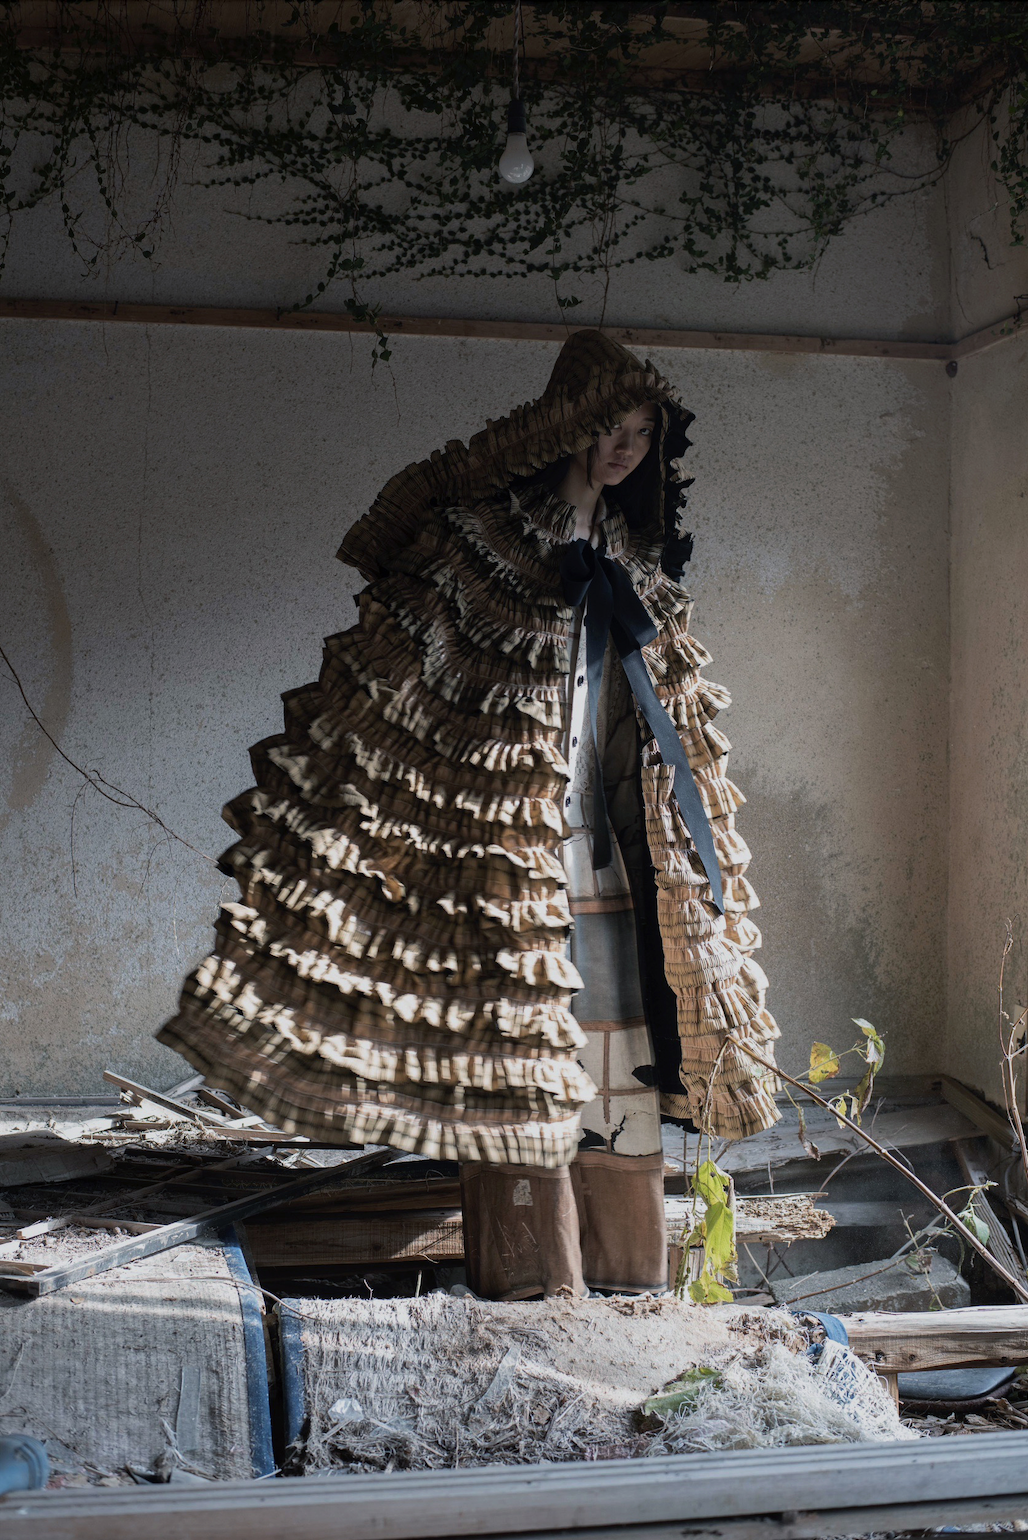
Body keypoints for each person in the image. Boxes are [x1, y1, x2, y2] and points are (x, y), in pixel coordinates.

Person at [158, 329, 781, 1298]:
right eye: (608, 427)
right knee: (517, 1064)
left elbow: (664, 717)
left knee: (620, 1064)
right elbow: (412, 669)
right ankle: (535, 1293)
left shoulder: (635, 559)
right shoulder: (485, 548)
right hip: (509, 858)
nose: (623, 449)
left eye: (640, 432)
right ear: (568, 425)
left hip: (617, 854)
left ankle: (628, 1289)